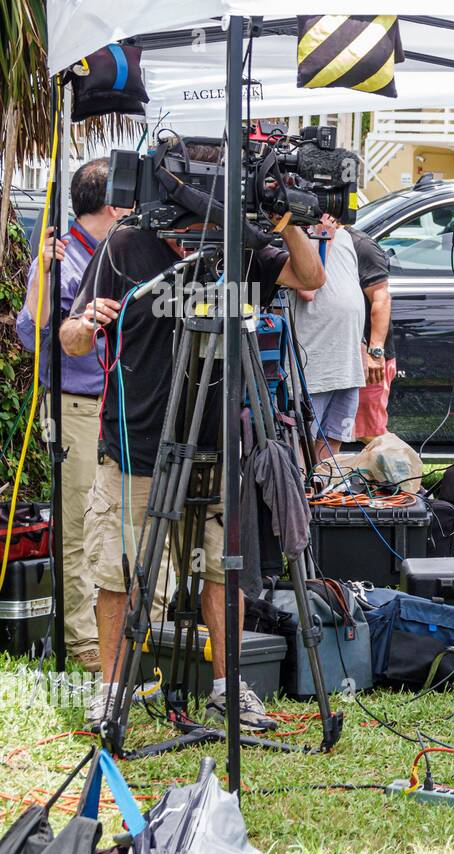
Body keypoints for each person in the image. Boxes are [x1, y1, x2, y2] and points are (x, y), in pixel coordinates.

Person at [62, 147, 326, 732]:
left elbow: (311, 278)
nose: (189, 246)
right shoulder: (127, 245)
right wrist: (84, 326)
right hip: (138, 443)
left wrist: (287, 218)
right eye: (182, 237)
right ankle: (111, 693)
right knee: (120, 576)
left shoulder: (241, 247)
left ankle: (229, 690)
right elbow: (71, 339)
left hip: (215, 443)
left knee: (220, 571)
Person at [13, 158, 130, 671]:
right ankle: (82, 642)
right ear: (110, 204)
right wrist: (41, 272)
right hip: (75, 407)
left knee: (106, 523)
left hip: (109, 407)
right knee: (81, 524)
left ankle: (104, 635)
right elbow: (29, 334)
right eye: (127, 199)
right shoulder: (65, 259)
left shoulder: (107, 254)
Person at [291, 214, 366, 458]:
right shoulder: (299, 235)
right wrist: (324, 238)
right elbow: (307, 289)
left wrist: (362, 345)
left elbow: (350, 292)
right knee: (304, 440)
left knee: (334, 436)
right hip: (315, 360)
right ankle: (302, 493)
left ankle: (324, 493)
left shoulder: (344, 235)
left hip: (346, 359)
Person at [347, 226, 394, 444]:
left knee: (371, 433)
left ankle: (398, 476)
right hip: (336, 352)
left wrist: (375, 352)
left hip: (367, 358)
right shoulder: (318, 242)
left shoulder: (361, 245)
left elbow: (381, 298)